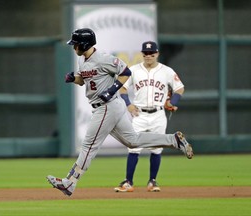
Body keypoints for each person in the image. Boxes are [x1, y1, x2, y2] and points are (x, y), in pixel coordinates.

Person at [46, 28, 193, 197]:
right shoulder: (82, 60)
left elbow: (125, 72)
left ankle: (69, 182)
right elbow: (84, 80)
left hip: (106, 106)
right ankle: (173, 140)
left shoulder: (103, 58)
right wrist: (74, 78)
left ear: (84, 44)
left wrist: (112, 89)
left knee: (88, 145)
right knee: (133, 141)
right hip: (107, 107)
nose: (74, 47)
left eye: (76, 44)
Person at [114, 41, 184, 193]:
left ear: (157, 54)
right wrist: (128, 104)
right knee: (133, 148)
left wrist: (173, 102)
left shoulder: (166, 71)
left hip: (158, 114)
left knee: (157, 149)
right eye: (145, 53)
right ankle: (128, 182)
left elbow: (179, 88)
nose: (148, 56)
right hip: (139, 114)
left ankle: (152, 181)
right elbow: (123, 89)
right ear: (142, 54)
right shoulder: (134, 70)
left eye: (152, 53)